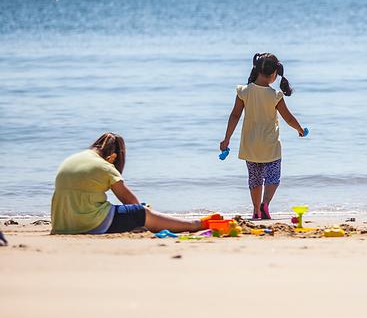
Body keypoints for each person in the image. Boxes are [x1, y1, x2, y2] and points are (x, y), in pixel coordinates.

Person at [50, 133, 219, 234]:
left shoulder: (74, 158)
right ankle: (195, 225)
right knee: (140, 212)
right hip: (90, 223)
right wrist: (143, 214)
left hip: (62, 223)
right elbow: (130, 201)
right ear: (113, 157)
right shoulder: (105, 166)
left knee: (131, 211)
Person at [219, 53, 306, 220]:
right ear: (274, 74)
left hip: (250, 145)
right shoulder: (275, 95)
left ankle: (256, 211)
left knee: (255, 179)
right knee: (273, 177)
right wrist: (300, 129)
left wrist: (227, 138)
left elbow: (235, 115)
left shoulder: (243, 91)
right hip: (270, 146)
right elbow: (288, 118)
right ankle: (265, 204)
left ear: (256, 70)